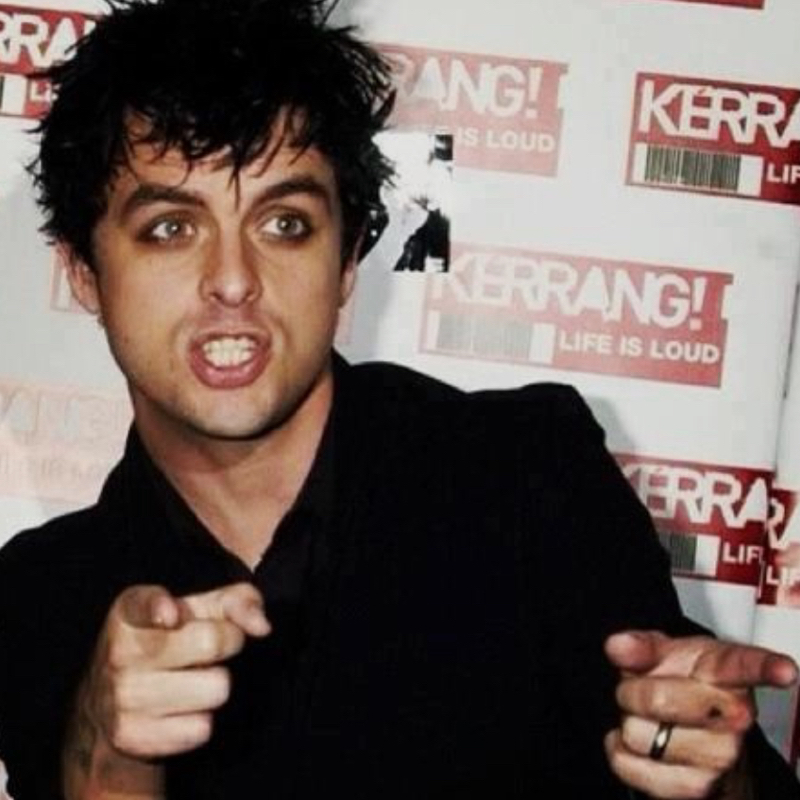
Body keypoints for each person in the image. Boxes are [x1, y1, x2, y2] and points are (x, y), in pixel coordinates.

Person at [0, 1, 797, 798]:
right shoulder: (40, 597)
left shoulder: (526, 475)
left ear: (348, 259)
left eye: (285, 223)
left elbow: (701, 747)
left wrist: (719, 772)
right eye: (171, 229)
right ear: (83, 272)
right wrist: (107, 756)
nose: (234, 280)